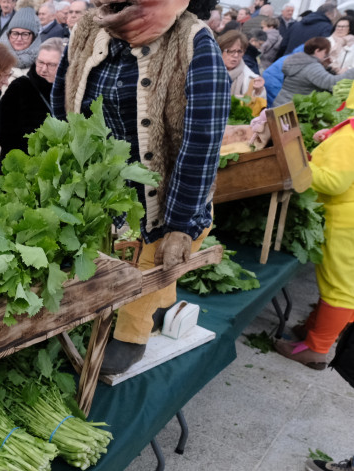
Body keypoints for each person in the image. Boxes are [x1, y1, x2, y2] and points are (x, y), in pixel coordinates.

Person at [53, 0, 229, 375]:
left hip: (162, 198)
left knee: (148, 270)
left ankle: (132, 334)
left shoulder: (194, 44)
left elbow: (201, 142)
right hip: (104, 192)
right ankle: (153, 303)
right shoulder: (90, 28)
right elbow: (62, 99)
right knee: (106, 268)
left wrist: (180, 223)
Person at [275, 104, 354, 374]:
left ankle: (316, 350)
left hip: (345, 221)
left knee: (340, 287)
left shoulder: (351, 136)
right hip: (345, 218)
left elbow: (334, 182)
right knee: (340, 282)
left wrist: (299, 166)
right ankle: (315, 328)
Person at [0, 37, 62, 158]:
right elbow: (3, 130)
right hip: (22, 163)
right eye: (40, 62)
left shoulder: (71, 91)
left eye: (52, 65)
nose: (43, 69)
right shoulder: (19, 87)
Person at [273, 37, 354, 107]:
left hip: (281, 103)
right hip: (293, 109)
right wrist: (351, 71)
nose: (326, 55)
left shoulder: (298, 60)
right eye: (325, 52)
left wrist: (327, 68)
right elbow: (331, 83)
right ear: (317, 51)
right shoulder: (312, 66)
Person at [218, 30, 266, 100]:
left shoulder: (252, 79)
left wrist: (258, 92)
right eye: (230, 51)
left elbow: (259, 106)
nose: (236, 55)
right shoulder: (209, 72)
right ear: (220, 50)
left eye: (239, 51)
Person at [0, 6, 41, 80]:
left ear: (34, 38)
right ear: (8, 35)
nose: (19, 39)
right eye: (15, 33)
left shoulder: (41, 65)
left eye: (25, 34)